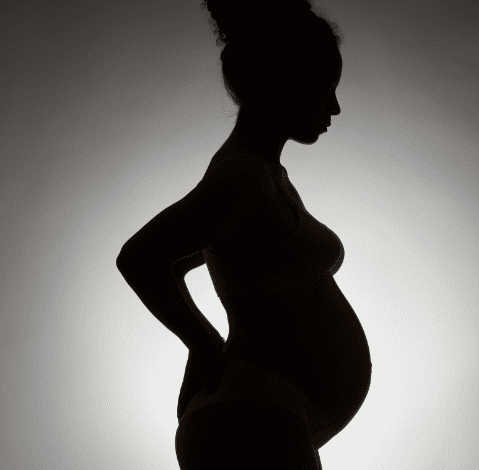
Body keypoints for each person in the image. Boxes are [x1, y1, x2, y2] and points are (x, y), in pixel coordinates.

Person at [116, 1, 370, 468]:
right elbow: (141, 257)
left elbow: (181, 258)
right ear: (286, 79)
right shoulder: (244, 179)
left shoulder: (264, 176)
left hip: (265, 418)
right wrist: (203, 343)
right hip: (251, 419)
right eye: (325, 88)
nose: (334, 106)